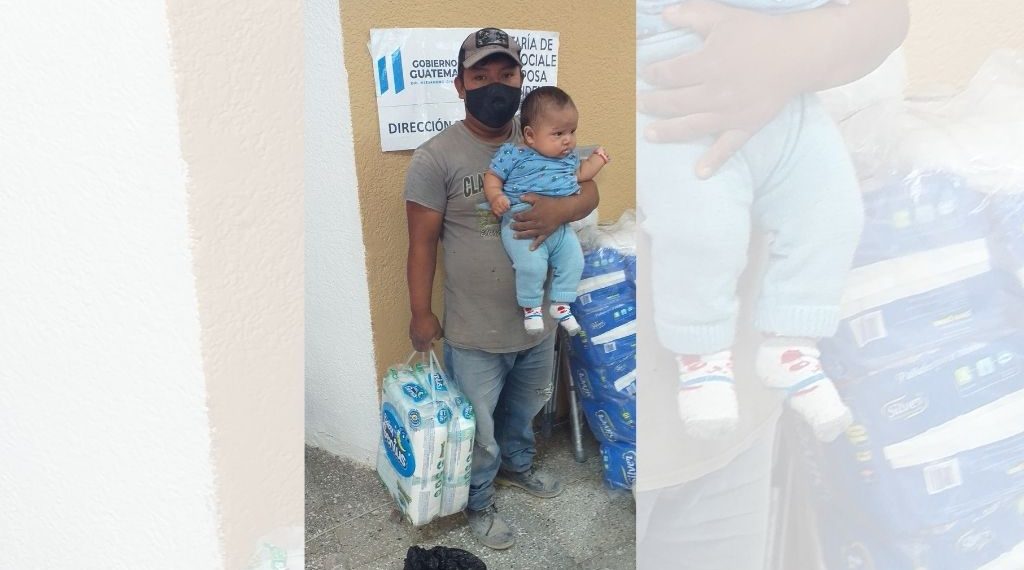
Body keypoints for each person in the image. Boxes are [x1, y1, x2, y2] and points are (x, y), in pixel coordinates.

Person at [634, 0, 909, 568]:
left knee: (835, 214)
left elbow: (886, 15)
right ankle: (708, 355)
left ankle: (789, 348)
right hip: (625, 393)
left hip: (737, 392)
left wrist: (791, 50)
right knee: (702, 227)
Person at [404, 28, 600, 550]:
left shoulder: (543, 135)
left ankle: (519, 465)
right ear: (460, 85)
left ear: (520, 79)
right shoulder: (436, 157)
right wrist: (420, 313)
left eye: (507, 74)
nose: (496, 85)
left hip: (537, 321)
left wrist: (561, 210)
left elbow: (589, 188)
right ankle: (479, 499)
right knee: (480, 428)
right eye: (481, 76)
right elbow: (421, 244)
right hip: (475, 329)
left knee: (525, 409)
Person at [483, 86, 610, 336]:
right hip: (522, 224)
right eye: (558, 133)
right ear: (530, 135)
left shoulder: (567, 159)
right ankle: (531, 308)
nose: (568, 140)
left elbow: (582, 174)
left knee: (574, 260)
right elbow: (492, 176)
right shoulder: (514, 154)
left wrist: (598, 160)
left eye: (572, 131)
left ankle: (561, 305)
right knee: (531, 266)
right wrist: (496, 196)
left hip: (560, 227)